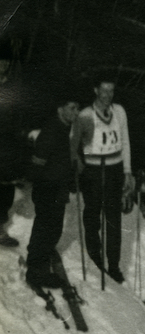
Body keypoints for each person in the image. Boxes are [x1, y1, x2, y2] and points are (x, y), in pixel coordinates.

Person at [71, 77, 134, 282]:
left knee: (114, 220)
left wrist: (127, 171)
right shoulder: (86, 115)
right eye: (104, 91)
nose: (107, 95)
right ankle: (96, 261)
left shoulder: (120, 111)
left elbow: (125, 140)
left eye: (111, 91)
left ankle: (113, 266)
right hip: (94, 171)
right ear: (96, 90)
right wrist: (77, 165)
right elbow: (73, 144)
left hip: (115, 170)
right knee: (92, 215)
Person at [25, 95, 80, 288]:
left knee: (49, 229)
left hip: (57, 187)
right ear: (60, 109)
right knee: (48, 229)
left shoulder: (63, 128)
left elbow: (60, 159)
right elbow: (38, 161)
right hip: (49, 189)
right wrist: (43, 187)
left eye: (77, 108)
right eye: (72, 107)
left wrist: (70, 179)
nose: (76, 112)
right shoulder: (53, 129)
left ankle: (37, 261)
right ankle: (36, 272)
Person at [0, 47, 26, 248]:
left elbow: (18, 117)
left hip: (7, 144)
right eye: (1, 61)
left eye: (6, 61)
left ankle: (0, 230)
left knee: (6, 188)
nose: (4, 65)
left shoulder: (13, 86)